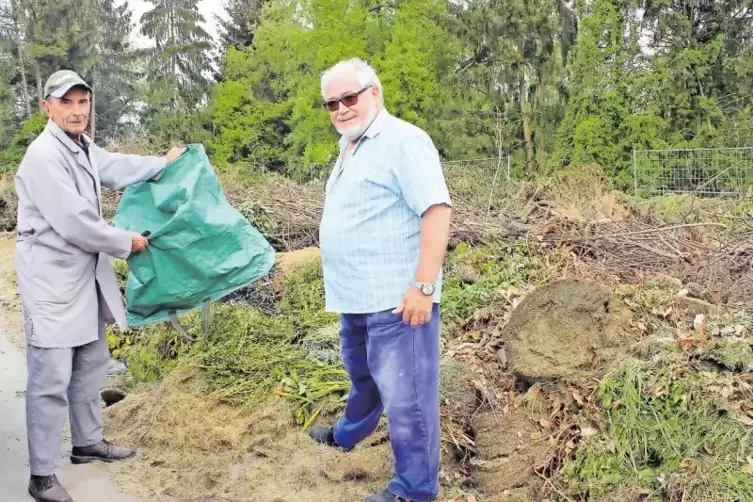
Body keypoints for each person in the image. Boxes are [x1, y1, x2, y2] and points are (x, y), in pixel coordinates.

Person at [14, 69, 185, 502]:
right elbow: (75, 222)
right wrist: (124, 241)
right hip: (52, 279)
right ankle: (41, 475)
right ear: (46, 107)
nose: (76, 111)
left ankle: (87, 442)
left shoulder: (81, 146)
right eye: (66, 102)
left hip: (82, 276)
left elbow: (115, 166)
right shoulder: (43, 156)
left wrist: (163, 164)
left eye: (82, 102)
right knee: (51, 377)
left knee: (92, 362)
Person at [309, 58, 453, 502]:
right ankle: (347, 434)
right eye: (331, 103)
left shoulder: (403, 141)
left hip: (398, 300)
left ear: (375, 93)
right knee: (364, 379)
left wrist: (423, 287)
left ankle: (414, 490)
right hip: (355, 297)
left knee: (408, 401)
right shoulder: (351, 146)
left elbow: (437, 211)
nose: (341, 109)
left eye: (349, 98)